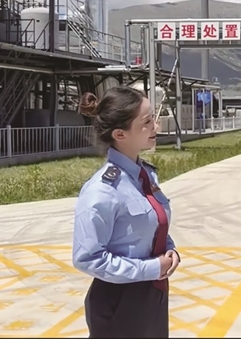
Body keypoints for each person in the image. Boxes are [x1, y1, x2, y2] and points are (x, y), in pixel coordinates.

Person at [72, 86, 181, 338]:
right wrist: (151, 268)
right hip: (120, 301)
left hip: (152, 292)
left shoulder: (144, 176)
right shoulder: (102, 190)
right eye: (147, 122)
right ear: (120, 134)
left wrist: (169, 249)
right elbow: (87, 258)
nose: (156, 126)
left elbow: (151, 226)